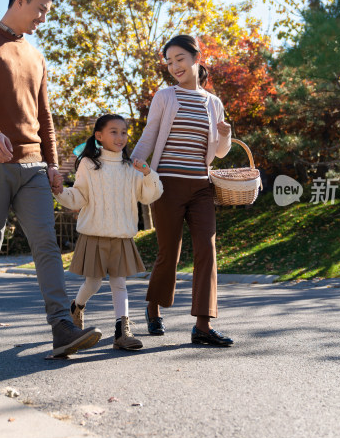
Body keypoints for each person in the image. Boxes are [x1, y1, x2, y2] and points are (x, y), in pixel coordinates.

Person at [0, 0, 102, 357]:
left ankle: (62, 326)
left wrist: (53, 164)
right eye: (40, 9)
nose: (43, 18)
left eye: (47, 12)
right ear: (20, 1)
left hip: (34, 167)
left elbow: (45, 116)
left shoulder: (36, 56)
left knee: (47, 246)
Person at [131, 34, 234, 347]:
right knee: (169, 252)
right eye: (169, 61)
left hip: (201, 186)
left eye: (180, 59)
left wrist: (226, 136)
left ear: (196, 58)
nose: (174, 66)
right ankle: (153, 306)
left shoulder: (213, 103)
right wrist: (131, 162)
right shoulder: (165, 96)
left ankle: (203, 324)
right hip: (167, 186)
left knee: (207, 249)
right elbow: (150, 136)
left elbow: (219, 153)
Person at [53, 115, 163, 350]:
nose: (120, 137)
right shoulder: (89, 165)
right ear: (99, 136)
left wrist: (147, 174)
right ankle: (77, 307)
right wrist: (60, 192)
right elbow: (79, 196)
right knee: (92, 284)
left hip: (122, 235)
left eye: (124, 132)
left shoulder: (131, 167)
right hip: (94, 233)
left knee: (119, 284)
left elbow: (149, 195)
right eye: (113, 132)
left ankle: (122, 332)